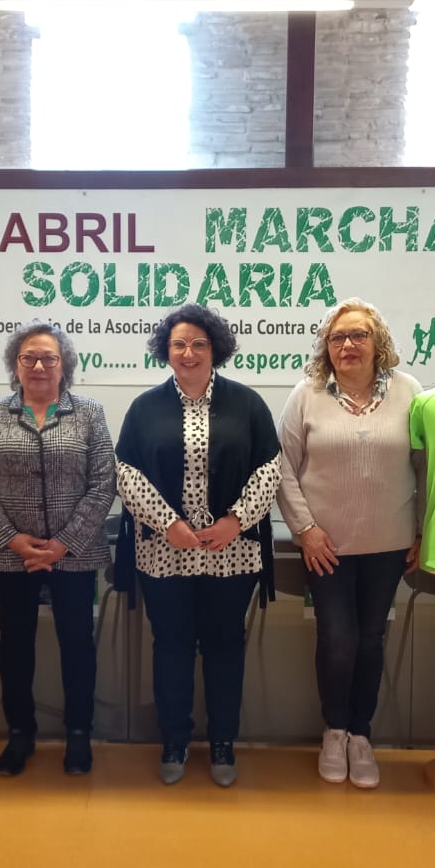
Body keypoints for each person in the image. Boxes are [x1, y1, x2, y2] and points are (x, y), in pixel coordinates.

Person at [115, 303, 280, 787]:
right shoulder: (145, 407)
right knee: (171, 646)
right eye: (179, 344)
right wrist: (167, 522)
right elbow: (125, 471)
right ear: (166, 351)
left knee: (226, 646)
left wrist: (236, 520)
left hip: (232, 552)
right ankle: (174, 740)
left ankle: (224, 741)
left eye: (199, 344)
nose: (189, 353)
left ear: (216, 350)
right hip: (164, 551)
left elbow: (270, 469)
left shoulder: (247, 404)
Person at [277, 299, 422, 789]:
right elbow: (282, 468)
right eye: (337, 338)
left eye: (358, 335)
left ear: (377, 342)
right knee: (338, 641)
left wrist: (422, 531)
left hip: (389, 545)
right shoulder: (306, 394)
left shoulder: (410, 393)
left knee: (370, 640)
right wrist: (305, 529)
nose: (347, 345)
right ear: (326, 348)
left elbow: (425, 470)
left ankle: (361, 735)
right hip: (326, 547)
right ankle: (334, 731)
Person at [0, 322, 116, 776]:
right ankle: (20, 734)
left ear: (64, 365)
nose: (39, 366)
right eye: (28, 357)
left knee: (77, 645)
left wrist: (63, 544)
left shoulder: (88, 412)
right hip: (13, 556)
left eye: (49, 358)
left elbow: (103, 484)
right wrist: (12, 539)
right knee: (14, 646)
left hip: (76, 554)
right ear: (16, 364)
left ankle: (78, 734)